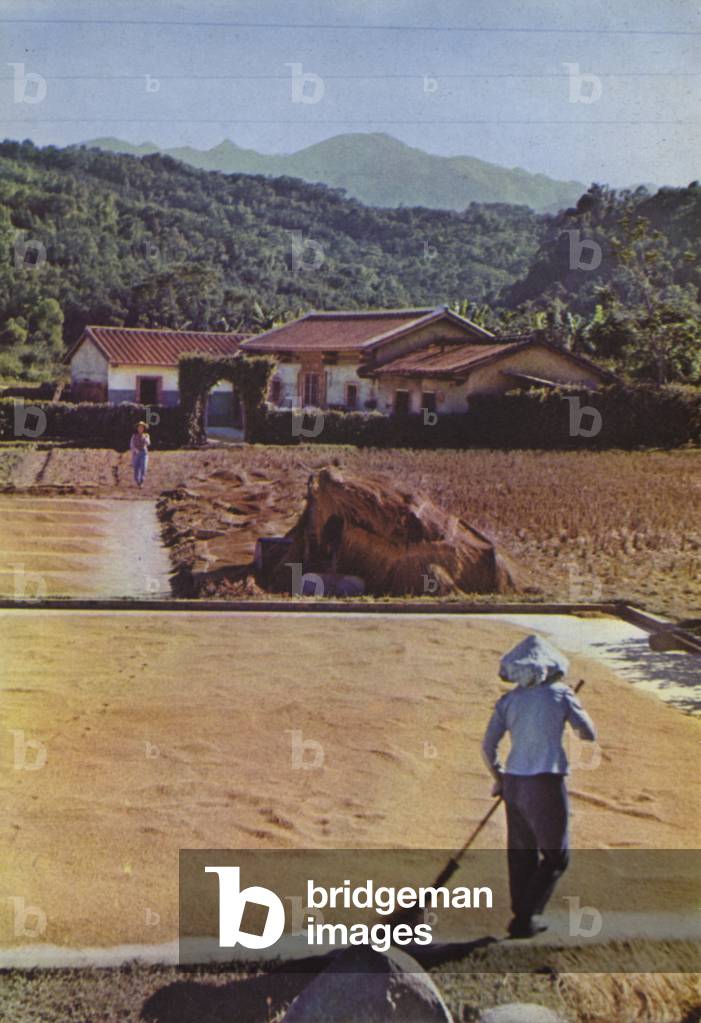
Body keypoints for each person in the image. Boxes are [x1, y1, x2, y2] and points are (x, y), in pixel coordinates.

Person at [482, 634, 597, 938]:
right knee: (557, 855)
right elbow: (588, 734)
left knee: (522, 853)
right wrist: (572, 707)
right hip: (545, 782)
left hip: (514, 784)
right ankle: (526, 917)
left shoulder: (508, 701)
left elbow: (487, 747)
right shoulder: (560, 694)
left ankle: (523, 917)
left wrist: (500, 777)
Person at [129, 420, 150, 487]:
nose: (140, 429)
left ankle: (141, 481)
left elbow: (148, 443)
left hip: (144, 453)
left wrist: (145, 439)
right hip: (136, 453)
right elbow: (132, 444)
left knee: (144, 467)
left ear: (143, 428)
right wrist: (135, 450)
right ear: (137, 428)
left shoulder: (146, 435)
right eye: (139, 427)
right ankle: (137, 481)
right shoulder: (134, 436)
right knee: (136, 468)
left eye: (141, 427)